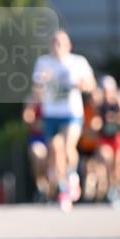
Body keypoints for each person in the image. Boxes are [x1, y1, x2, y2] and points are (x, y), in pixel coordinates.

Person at [31, 30, 95, 212]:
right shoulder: (43, 62)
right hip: (51, 113)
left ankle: (72, 176)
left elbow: (90, 85)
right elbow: (35, 92)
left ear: (69, 45)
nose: (57, 46)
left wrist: (83, 84)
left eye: (61, 42)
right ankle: (63, 188)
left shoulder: (78, 62)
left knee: (68, 147)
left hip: (71, 112)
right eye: (54, 42)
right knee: (55, 150)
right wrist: (42, 82)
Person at [95, 75, 120, 206]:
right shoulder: (100, 104)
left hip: (118, 139)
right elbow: (94, 120)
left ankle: (117, 190)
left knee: (118, 165)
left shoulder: (119, 102)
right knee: (107, 158)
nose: (106, 93)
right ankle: (110, 188)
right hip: (104, 139)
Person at [22, 100, 48, 201]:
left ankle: (56, 187)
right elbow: (27, 120)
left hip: (51, 137)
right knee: (37, 158)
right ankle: (41, 187)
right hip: (37, 139)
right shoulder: (31, 100)